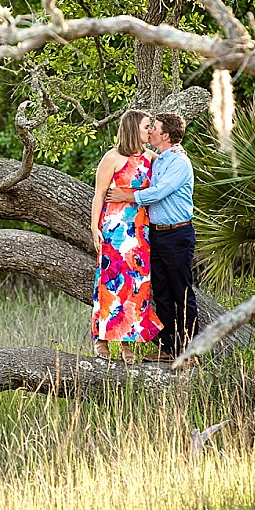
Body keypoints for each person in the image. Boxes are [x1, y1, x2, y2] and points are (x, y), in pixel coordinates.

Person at [106, 112, 198, 362]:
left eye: (154, 128)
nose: (150, 132)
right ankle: (168, 348)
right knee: (163, 294)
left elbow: (158, 193)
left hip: (177, 234)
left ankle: (190, 350)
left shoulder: (179, 163)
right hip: (156, 236)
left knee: (182, 292)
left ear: (165, 135)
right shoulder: (159, 160)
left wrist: (127, 197)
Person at [91, 109, 164, 365]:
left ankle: (127, 343)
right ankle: (101, 340)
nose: (150, 130)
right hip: (114, 229)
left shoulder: (150, 157)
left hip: (140, 230)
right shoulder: (112, 158)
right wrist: (93, 227)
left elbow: (170, 158)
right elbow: (99, 195)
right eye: (146, 126)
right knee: (109, 284)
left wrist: (180, 151)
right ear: (134, 128)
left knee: (137, 286)